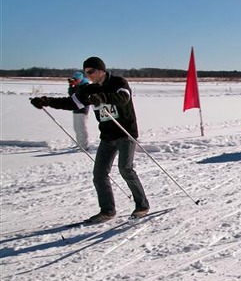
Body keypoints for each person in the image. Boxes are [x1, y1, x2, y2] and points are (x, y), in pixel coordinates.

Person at [29, 56, 150, 223]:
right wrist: (46, 101)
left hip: (125, 133)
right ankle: (107, 211)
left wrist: (103, 98)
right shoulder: (88, 90)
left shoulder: (118, 82)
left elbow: (123, 98)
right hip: (107, 136)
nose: (89, 75)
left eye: (91, 72)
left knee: (125, 169)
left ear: (101, 70)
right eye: (86, 73)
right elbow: (71, 103)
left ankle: (142, 206)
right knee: (99, 174)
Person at [68, 71, 91, 150]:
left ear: (80, 79)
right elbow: (71, 94)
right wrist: (71, 86)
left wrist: (75, 87)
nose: (74, 80)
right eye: (73, 79)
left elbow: (82, 97)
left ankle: (85, 146)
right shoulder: (76, 85)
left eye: (76, 79)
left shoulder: (85, 86)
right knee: (76, 128)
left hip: (82, 109)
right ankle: (79, 144)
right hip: (75, 108)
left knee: (81, 128)